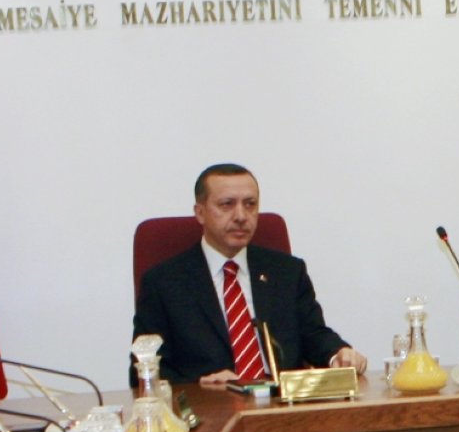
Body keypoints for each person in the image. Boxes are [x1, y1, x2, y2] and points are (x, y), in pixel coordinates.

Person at [133, 164, 364, 383]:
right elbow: (144, 371)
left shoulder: (287, 272)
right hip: (211, 413)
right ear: (200, 212)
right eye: (227, 204)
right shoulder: (164, 283)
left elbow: (313, 334)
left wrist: (338, 354)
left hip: (281, 407)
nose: (241, 216)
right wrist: (200, 386)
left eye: (250, 204)